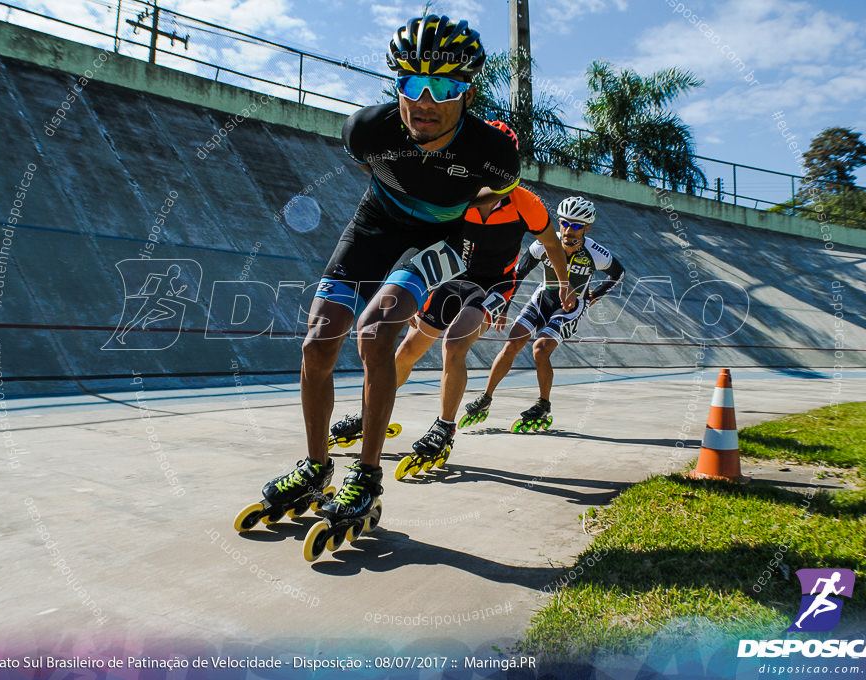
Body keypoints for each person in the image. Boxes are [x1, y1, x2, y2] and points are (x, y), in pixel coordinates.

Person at [248, 16, 521, 540]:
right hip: (375, 224)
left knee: (375, 334)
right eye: (412, 83)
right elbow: (374, 171)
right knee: (317, 343)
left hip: (439, 238)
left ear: (468, 91)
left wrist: (454, 208)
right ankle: (314, 468)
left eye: (444, 86)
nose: (425, 100)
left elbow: (495, 196)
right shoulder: (366, 131)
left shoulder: (493, 151)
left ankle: (367, 477)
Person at [388, 122, 576, 467]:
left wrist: (563, 284)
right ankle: (373, 410)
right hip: (451, 278)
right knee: (408, 349)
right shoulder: (457, 194)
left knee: (454, 345)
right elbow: (423, 236)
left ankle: (444, 427)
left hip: (492, 287)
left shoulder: (526, 202)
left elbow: (551, 244)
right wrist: (418, 285)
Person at [464, 196, 625, 431]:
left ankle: (543, 403)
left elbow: (618, 275)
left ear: (587, 227)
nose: (569, 229)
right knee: (512, 343)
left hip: (569, 307)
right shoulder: (545, 243)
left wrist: (593, 296)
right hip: (543, 298)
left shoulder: (596, 253)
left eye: (577, 225)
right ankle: (486, 397)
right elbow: (518, 272)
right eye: (565, 223)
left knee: (540, 349)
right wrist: (505, 305)